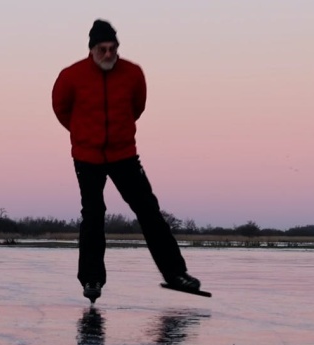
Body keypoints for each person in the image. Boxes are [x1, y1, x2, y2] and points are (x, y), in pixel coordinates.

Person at [51, 20, 202, 303]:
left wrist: (119, 133)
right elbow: (61, 109)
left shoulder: (133, 74)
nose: (108, 54)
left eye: (113, 49)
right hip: (87, 156)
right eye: (102, 49)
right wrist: (82, 133)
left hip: (124, 154)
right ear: (91, 50)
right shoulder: (71, 76)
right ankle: (92, 278)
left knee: (149, 211)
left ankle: (176, 274)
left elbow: (137, 107)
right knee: (93, 214)